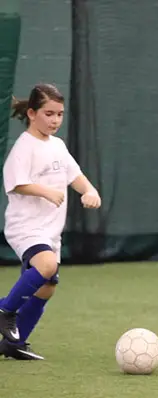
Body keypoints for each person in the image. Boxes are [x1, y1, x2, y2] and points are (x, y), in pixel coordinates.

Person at [0, 84, 102, 360]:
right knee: (46, 266)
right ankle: (5, 311)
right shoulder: (24, 147)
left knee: (47, 287)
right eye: (49, 113)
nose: (55, 120)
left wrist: (90, 191)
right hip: (26, 226)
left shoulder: (57, 145)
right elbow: (16, 183)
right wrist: (45, 191)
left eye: (60, 114)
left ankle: (13, 343)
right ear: (32, 113)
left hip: (50, 231)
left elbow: (75, 176)